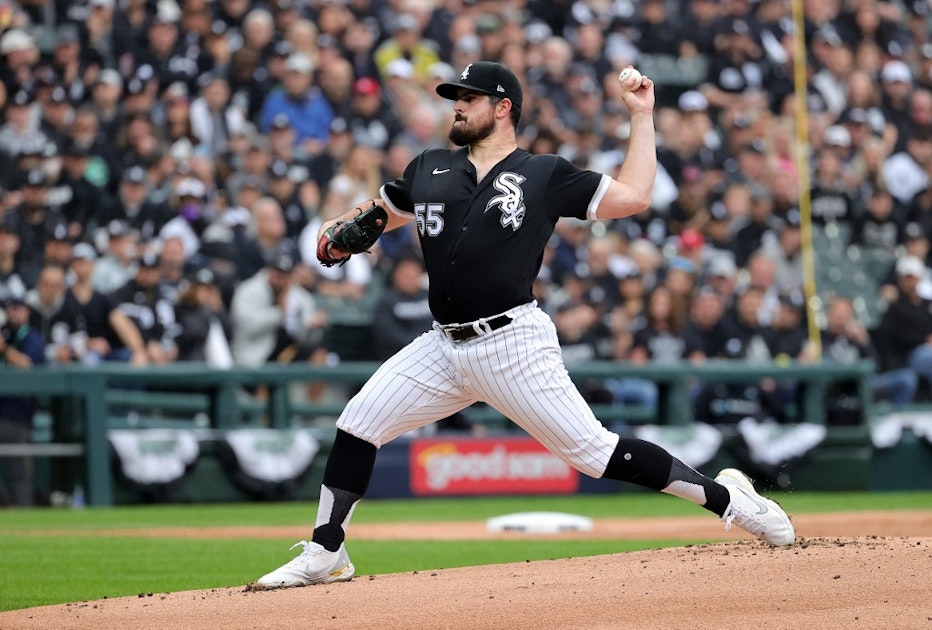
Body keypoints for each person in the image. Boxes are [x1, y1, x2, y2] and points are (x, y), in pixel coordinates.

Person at [255, 62, 795, 589]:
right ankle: (327, 552)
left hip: (511, 342)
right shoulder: (430, 167)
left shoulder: (544, 174)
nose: (458, 105)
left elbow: (636, 197)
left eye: (468, 97)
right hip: (443, 346)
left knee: (595, 453)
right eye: (454, 98)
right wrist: (346, 227)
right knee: (357, 423)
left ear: (503, 107)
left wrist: (642, 115)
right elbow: (380, 213)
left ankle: (730, 500)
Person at [0, 294, 46, 507]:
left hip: (17, 413)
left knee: (18, 465)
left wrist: (5, 350)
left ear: (26, 311)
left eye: (18, 309)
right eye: (10, 309)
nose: (14, 314)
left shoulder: (32, 337)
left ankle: (24, 509)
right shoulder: (7, 334)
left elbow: (28, 364)